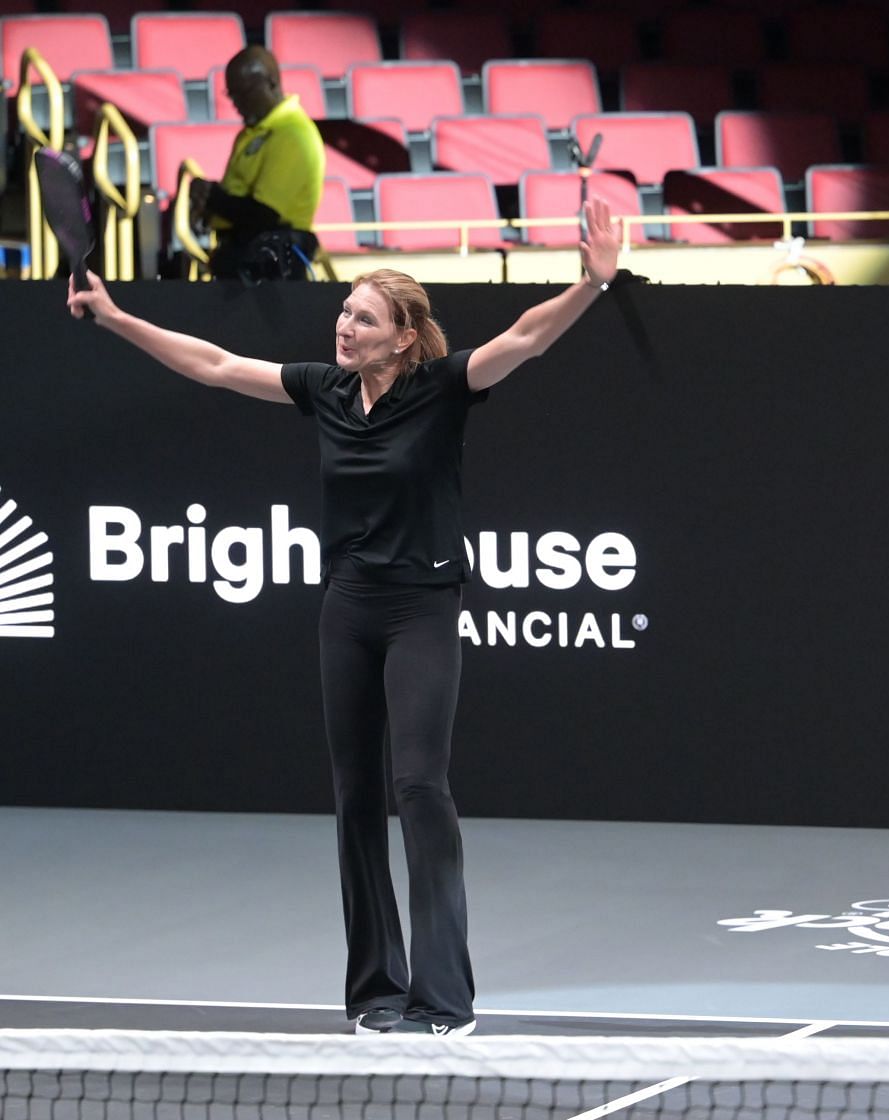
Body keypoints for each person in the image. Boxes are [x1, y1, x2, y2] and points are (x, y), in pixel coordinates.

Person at [65, 201, 626, 1037]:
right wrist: (115, 318)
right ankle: (374, 988)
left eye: (362, 317)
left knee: (419, 787)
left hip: (423, 609)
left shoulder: (442, 388)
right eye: (343, 312)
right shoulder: (325, 391)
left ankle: (444, 996)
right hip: (348, 608)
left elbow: (525, 338)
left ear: (402, 336)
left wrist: (593, 280)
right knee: (355, 793)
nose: (345, 325)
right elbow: (216, 364)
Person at [188, 46, 325, 280]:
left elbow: (263, 215)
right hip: (240, 257)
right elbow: (238, 197)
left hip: (272, 268)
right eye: (231, 94)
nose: (236, 102)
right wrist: (208, 206)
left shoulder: (292, 134)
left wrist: (212, 196)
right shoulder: (252, 133)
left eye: (244, 92)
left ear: (271, 83)